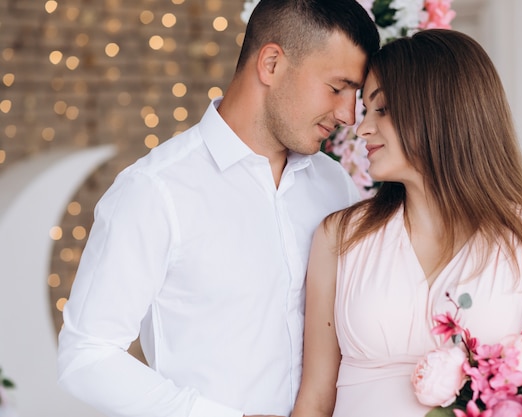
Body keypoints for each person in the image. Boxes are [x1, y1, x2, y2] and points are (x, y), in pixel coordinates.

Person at [56, 1, 380, 416]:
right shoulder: (156, 191)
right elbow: (86, 354)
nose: (348, 115)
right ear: (271, 63)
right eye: (337, 88)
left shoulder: (335, 186)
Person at [291, 29, 522, 417]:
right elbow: (316, 401)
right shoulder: (340, 237)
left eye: (380, 109)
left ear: (440, 111)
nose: (362, 128)